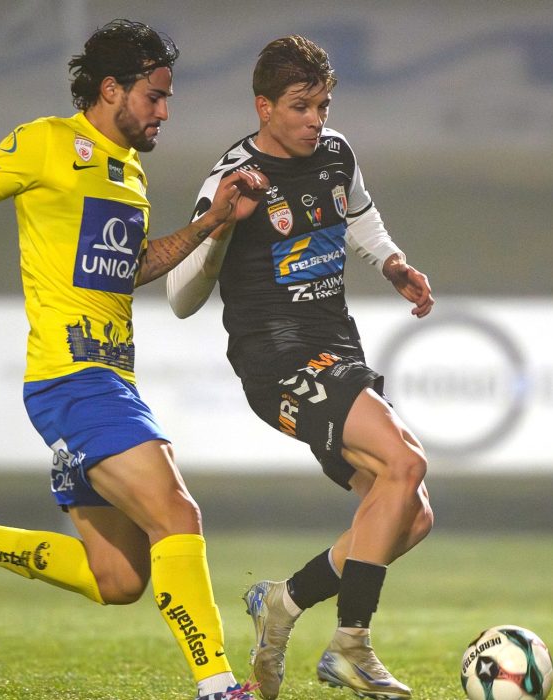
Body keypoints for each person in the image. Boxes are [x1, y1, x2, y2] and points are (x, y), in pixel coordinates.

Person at [0, 20, 266, 700]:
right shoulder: (44, 143)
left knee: (121, 580)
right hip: (74, 380)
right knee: (178, 515)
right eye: (155, 96)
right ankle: (218, 686)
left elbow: (127, 268)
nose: (164, 110)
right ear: (112, 89)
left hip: (102, 380)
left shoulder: (129, 171)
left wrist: (211, 222)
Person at [166, 36, 435, 700]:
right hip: (276, 359)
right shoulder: (233, 178)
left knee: (411, 512)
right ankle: (351, 646)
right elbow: (178, 297)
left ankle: (283, 603)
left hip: (336, 346)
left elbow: (360, 218)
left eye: (323, 104)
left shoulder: (335, 153)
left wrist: (394, 264)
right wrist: (223, 226)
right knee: (406, 465)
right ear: (264, 106)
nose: (316, 119)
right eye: (301, 106)